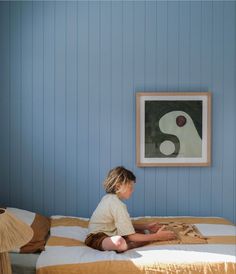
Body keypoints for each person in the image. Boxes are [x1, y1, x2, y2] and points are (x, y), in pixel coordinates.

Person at [85, 166, 176, 252]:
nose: (132, 191)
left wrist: (146, 226)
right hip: (96, 237)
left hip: (109, 232)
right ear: (118, 186)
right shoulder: (117, 205)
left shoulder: (108, 198)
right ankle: (127, 246)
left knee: (141, 232)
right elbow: (131, 236)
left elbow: (123, 224)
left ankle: (125, 243)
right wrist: (157, 236)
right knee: (119, 241)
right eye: (130, 187)